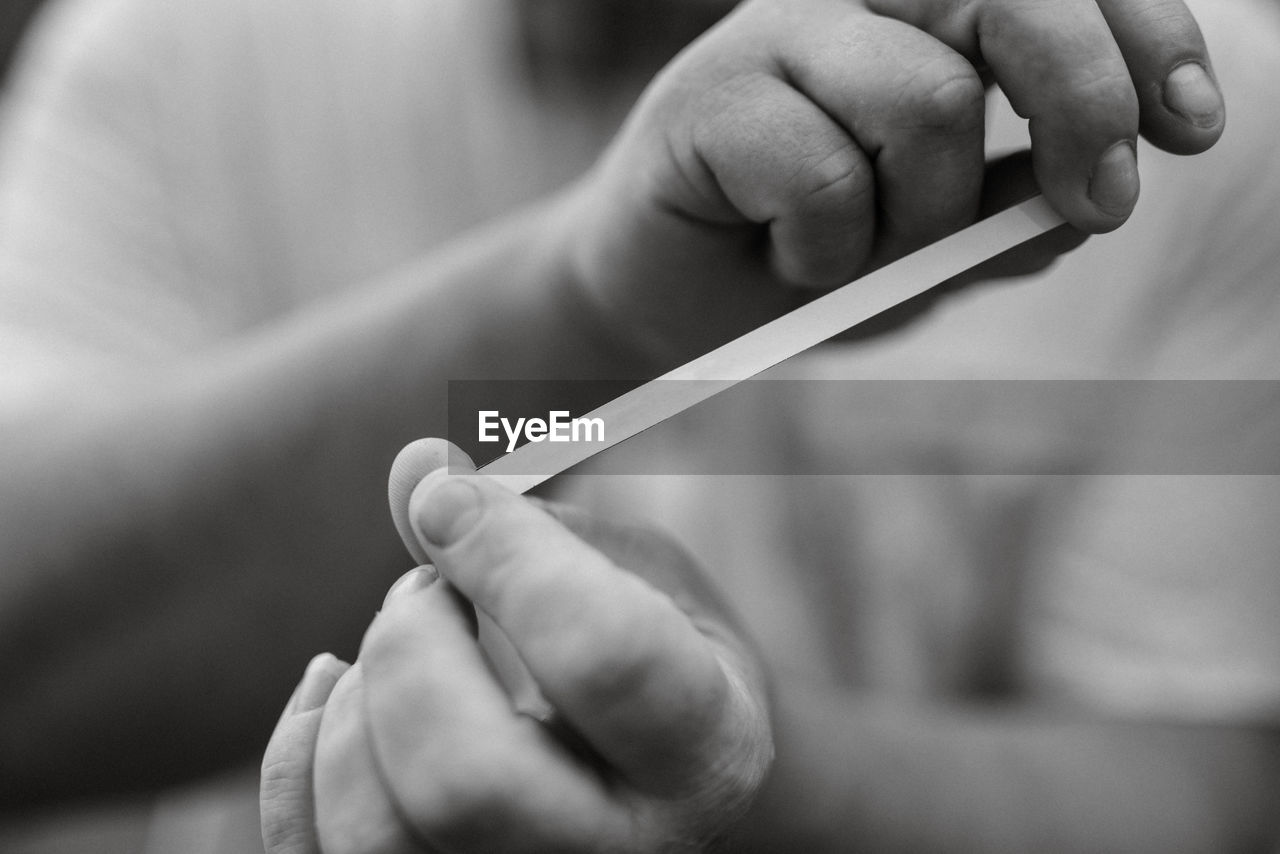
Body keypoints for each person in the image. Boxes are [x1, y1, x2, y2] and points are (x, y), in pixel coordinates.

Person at [0, 0, 1276, 849]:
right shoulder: (183, 41)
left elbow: (1220, 787)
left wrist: (741, 763)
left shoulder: (1200, 97)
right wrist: (592, 311)